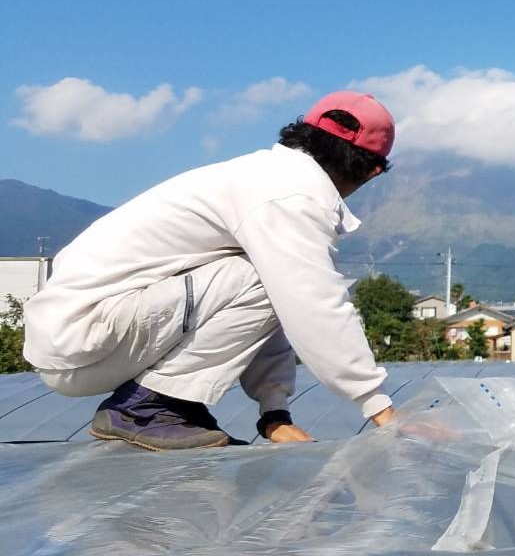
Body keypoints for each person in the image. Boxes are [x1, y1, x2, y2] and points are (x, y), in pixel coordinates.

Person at [24, 91, 399, 450]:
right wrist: (381, 409)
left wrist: (274, 413)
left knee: (268, 277)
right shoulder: (293, 195)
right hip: (86, 337)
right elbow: (312, 303)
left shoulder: (266, 176)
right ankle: (148, 407)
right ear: (371, 170)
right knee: (268, 278)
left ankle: (171, 406)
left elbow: (274, 307)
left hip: (79, 342)